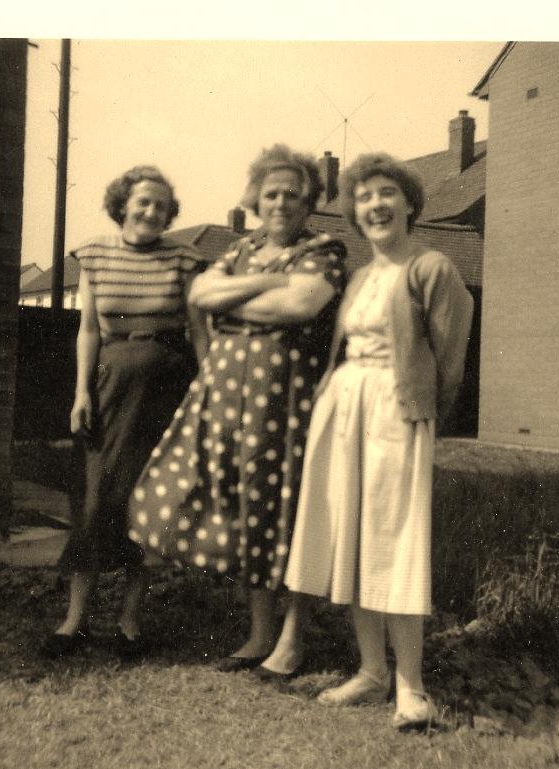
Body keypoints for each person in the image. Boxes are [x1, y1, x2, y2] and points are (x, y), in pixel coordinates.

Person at [257, 153, 474, 730]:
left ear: (409, 205)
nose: (375, 205)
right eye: (364, 196)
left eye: (387, 194)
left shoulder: (433, 268)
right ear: (353, 211)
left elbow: (451, 366)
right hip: (344, 408)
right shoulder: (357, 276)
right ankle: (373, 671)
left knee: (394, 540)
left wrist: (421, 415)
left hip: (396, 412)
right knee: (355, 535)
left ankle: (412, 688)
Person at [128, 144, 347, 671]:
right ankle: (258, 633)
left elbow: (300, 304)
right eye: (270, 193)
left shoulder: (327, 248)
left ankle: (293, 637)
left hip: (287, 398)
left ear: (309, 201)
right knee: (247, 505)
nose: (280, 203)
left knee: (290, 506)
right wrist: (272, 280)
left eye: (292, 194)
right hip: (226, 395)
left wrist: (240, 297)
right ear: (254, 198)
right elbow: (200, 295)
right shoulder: (241, 248)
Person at [41, 165, 208, 659]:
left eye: (161, 205)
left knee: (150, 502)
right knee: (94, 497)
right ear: (123, 205)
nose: (152, 212)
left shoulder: (184, 258)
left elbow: (200, 330)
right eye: (143, 202)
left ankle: (131, 620)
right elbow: (88, 330)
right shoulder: (93, 254)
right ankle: (75, 619)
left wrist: (208, 389)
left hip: (166, 388)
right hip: (110, 386)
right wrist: (81, 393)